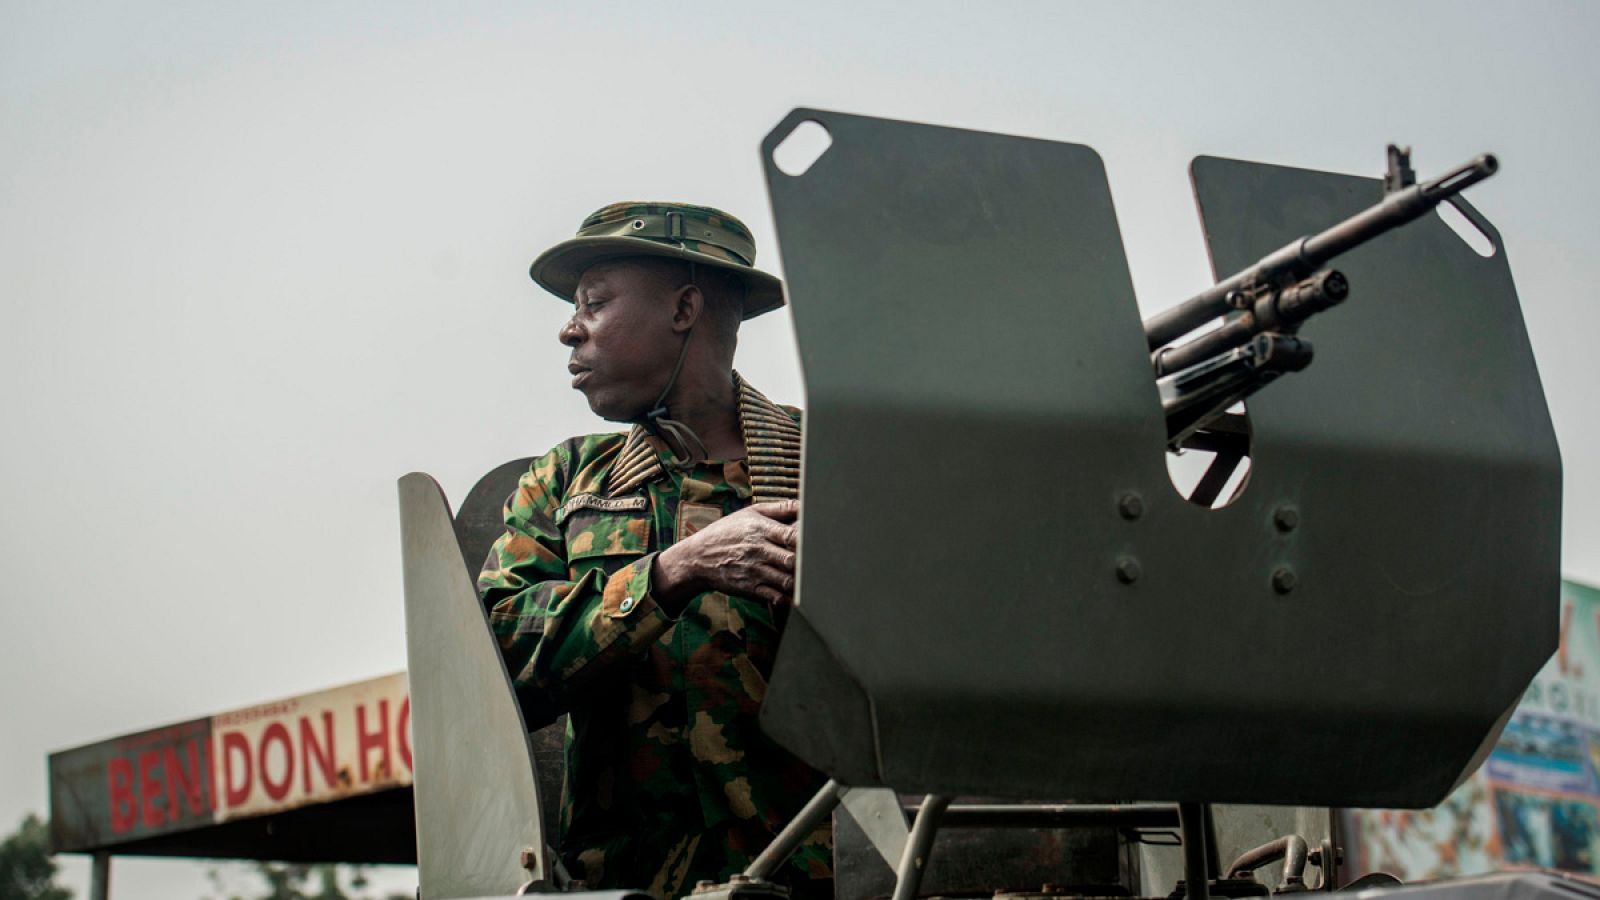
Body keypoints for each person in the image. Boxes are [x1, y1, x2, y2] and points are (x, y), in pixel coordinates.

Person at [477, 202, 831, 899]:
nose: (568, 329)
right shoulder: (567, 482)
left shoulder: (832, 464)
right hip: (624, 889)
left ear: (685, 308)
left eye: (595, 303)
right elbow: (493, 673)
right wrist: (673, 572)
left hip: (817, 882)